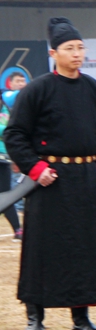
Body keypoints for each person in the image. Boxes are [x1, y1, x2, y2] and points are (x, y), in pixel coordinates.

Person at [5, 17, 96, 330]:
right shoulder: (37, 89)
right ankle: (35, 318)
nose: (77, 54)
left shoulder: (94, 89)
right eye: (70, 48)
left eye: (81, 48)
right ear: (54, 53)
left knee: (83, 247)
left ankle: (81, 317)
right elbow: (14, 135)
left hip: (84, 179)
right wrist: (36, 169)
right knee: (43, 249)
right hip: (48, 181)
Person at [0, 71, 25, 241]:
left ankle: (18, 229)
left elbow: (10, 130)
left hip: (3, 157)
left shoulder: (6, 107)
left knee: (5, 194)